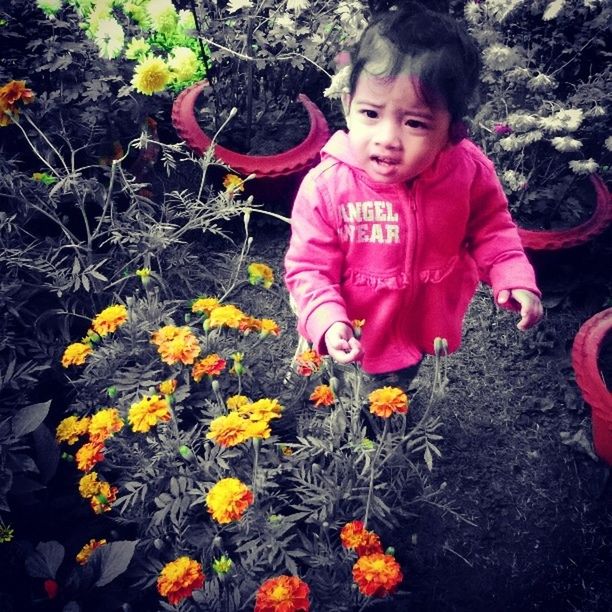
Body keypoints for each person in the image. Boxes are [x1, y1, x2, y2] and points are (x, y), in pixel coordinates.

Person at [284, 3, 543, 390]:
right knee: (337, 391)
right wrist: (327, 318)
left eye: (415, 123)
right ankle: (323, 382)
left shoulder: (468, 173)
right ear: (348, 104)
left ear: (452, 131)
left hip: (422, 323)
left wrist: (513, 275)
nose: (387, 138)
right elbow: (309, 268)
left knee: (395, 387)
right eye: (371, 113)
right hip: (347, 327)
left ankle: (390, 404)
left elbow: (492, 228)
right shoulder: (327, 187)